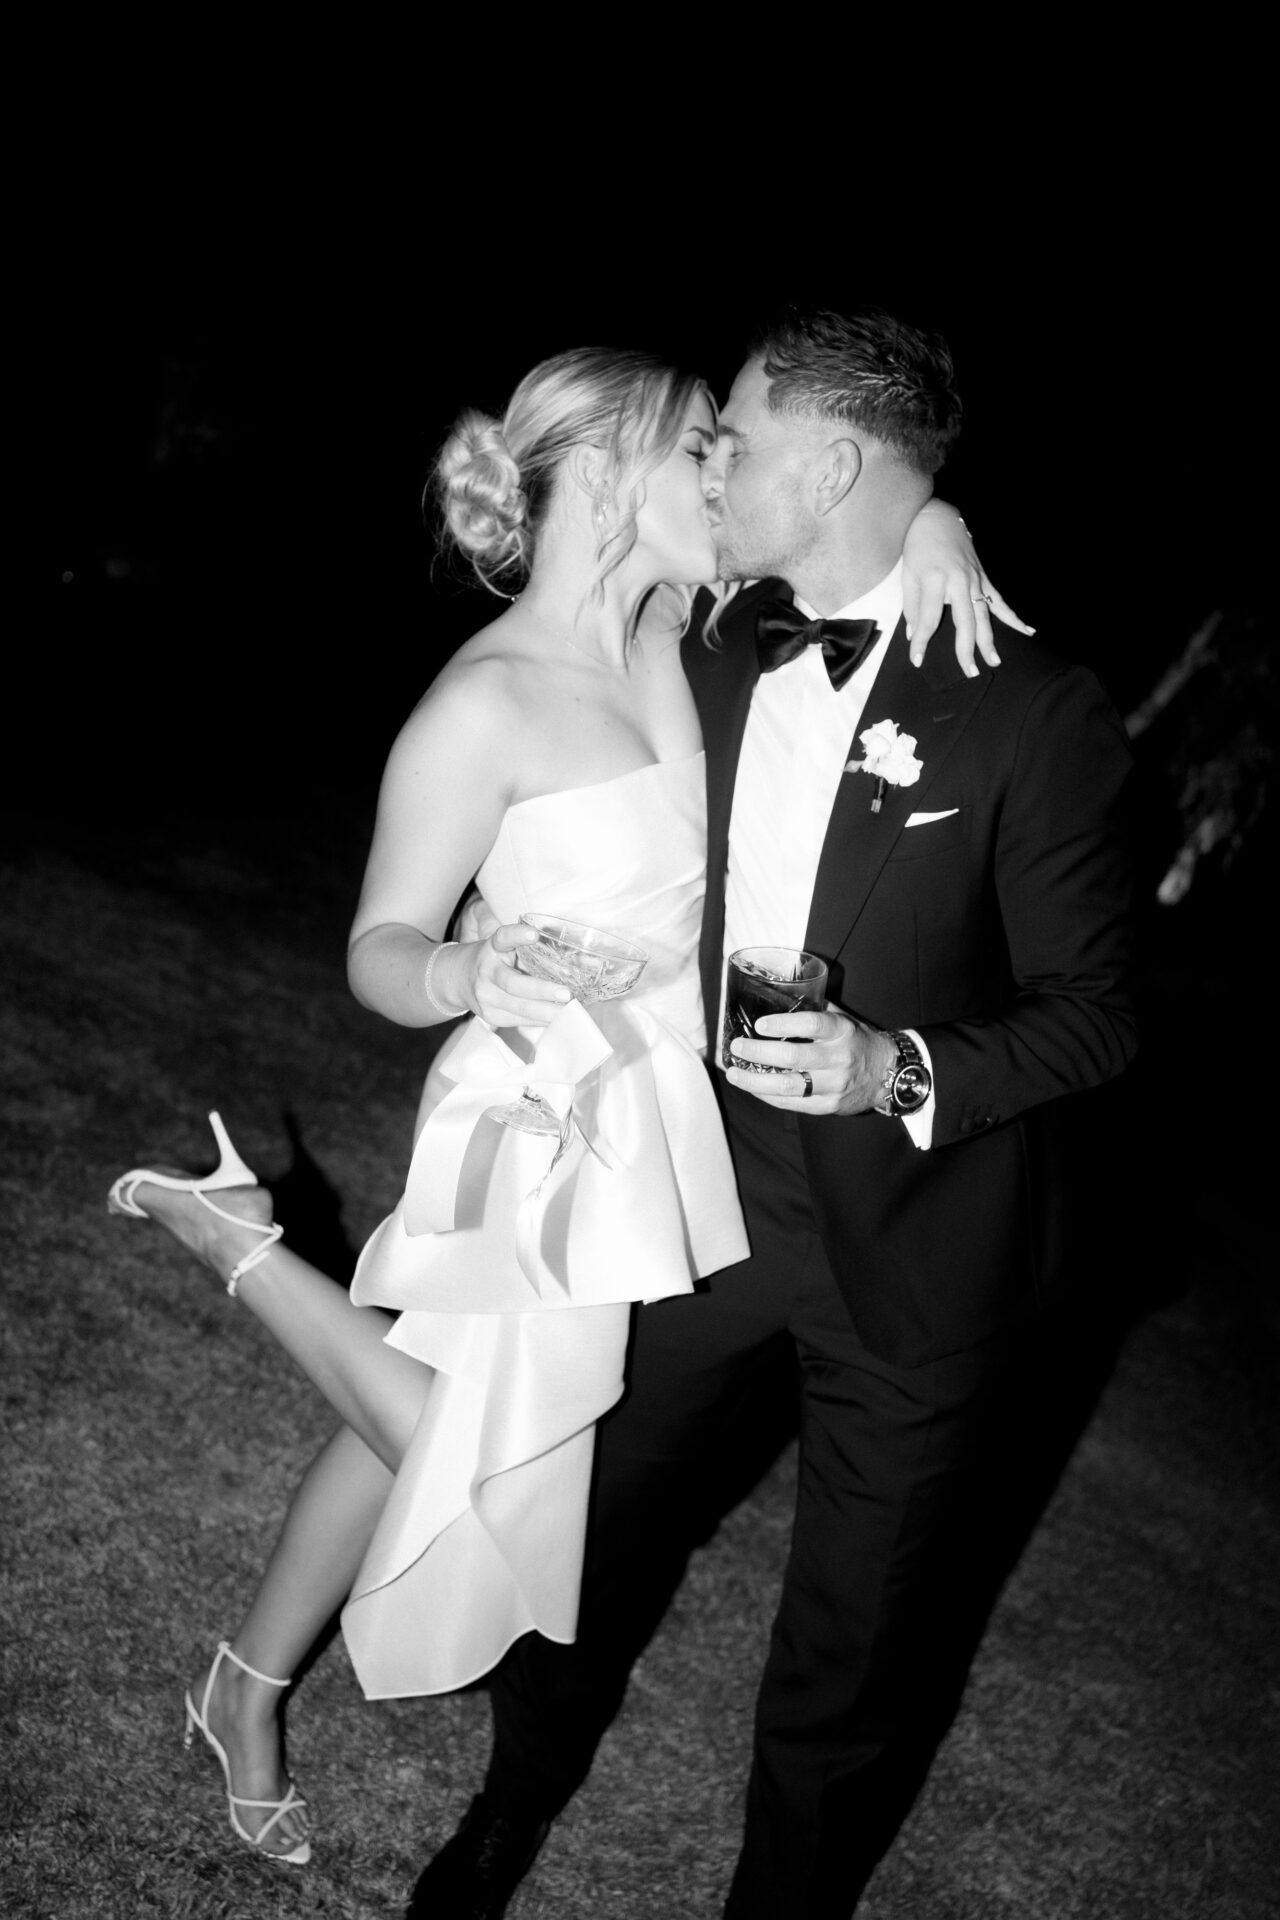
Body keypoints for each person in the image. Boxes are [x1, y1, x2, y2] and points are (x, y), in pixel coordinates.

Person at [106, 341, 1009, 1877]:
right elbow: (377, 950)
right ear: (604, 475)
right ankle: (239, 1247)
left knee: (416, 1422)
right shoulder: (483, 705)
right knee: (466, 1434)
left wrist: (933, 523)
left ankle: (239, 1688)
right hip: (534, 1116)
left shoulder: (687, 626)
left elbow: (843, 522)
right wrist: (468, 966)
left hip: (657, 1111)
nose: (727, 477)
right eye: (700, 451)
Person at [413, 308, 1138, 1920]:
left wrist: (897, 1069)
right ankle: (505, 1819)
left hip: (925, 1258)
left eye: (733, 442)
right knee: (596, 1538)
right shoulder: (717, 629)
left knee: (849, 1654)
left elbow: (1099, 1014)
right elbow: (578, 557)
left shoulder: (1033, 711)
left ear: (826, 469)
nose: (711, 467)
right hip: (707, 1194)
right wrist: (930, 512)